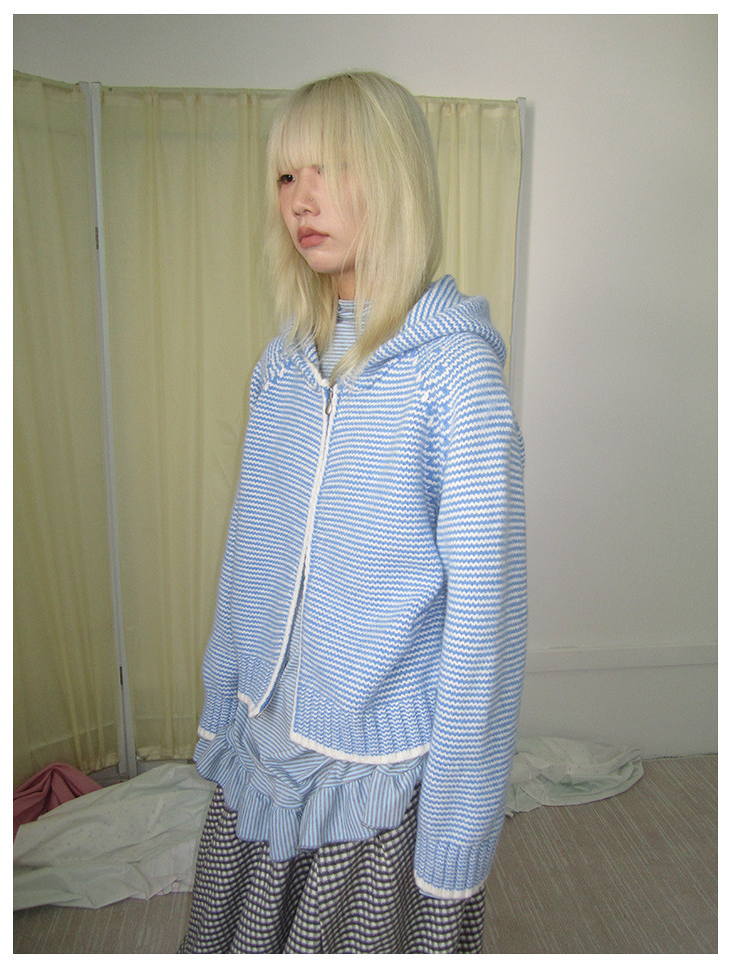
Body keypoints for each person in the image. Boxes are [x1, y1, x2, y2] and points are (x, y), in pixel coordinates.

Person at [179, 70, 527, 954]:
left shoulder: (454, 381)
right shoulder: (282, 366)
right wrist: (224, 702)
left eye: (330, 167)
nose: (301, 199)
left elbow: (484, 629)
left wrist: (456, 826)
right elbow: (247, 557)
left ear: (395, 176)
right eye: (286, 175)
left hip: (375, 773)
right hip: (263, 739)